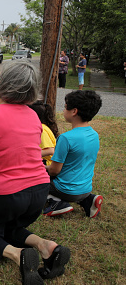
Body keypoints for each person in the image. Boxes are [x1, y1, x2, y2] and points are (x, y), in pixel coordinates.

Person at [0, 61, 70, 285]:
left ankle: (18, 254)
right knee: (8, 227)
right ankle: (46, 246)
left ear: (4, 84)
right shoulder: (34, 116)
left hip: (4, 193)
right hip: (38, 190)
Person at [44, 90, 103, 218]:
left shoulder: (66, 138)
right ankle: (88, 200)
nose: (64, 110)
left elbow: (54, 171)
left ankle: (57, 202)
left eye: (65, 107)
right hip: (86, 189)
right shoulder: (94, 135)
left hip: (64, 190)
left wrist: (42, 168)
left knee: (35, 179)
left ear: (74, 111)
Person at [28, 101, 59, 166]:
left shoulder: (41, 129)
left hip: (47, 165)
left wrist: (30, 155)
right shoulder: (42, 127)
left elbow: (50, 150)